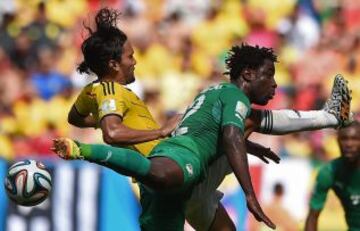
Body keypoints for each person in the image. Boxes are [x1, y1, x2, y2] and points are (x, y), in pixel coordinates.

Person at [52, 8, 352, 231]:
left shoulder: (99, 92)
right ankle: (81, 150)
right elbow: (113, 134)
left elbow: (75, 116)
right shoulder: (109, 90)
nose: (135, 60)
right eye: (130, 56)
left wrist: (96, 116)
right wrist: (160, 129)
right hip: (171, 165)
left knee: (250, 124)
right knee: (164, 172)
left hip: (184, 176)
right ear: (113, 63)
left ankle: (328, 116)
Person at [305, 121, 360, 231]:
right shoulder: (329, 172)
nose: (349, 144)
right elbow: (312, 216)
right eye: (344, 139)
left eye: (355, 139)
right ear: (337, 141)